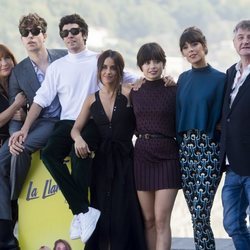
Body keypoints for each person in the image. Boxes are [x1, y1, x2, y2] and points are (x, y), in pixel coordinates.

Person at [9, 14, 139, 244]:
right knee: (50, 154)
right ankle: (82, 211)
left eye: (74, 31)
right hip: (67, 122)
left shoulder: (98, 60)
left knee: (80, 159)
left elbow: (129, 78)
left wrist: (159, 80)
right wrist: (25, 130)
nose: (69, 36)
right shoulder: (57, 67)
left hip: (92, 122)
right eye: (65, 33)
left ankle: (81, 213)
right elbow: (41, 99)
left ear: (84, 34)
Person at [0, 13, 66, 248]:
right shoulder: (19, 72)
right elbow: (15, 112)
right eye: (25, 33)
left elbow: (95, 70)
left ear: (44, 35)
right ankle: (11, 210)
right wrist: (15, 134)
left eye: (35, 31)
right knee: (8, 154)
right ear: (21, 39)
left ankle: (12, 201)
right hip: (42, 123)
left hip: (66, 121)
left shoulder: (64, 57)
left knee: (20, 150)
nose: (30, 36)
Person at [71, 49, 146, 250]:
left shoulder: (131, 93)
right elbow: (75, 129)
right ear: (99, 70)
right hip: (101, 162)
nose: (108, 72)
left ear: (120, 70)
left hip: (127, 159)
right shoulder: (91, 99)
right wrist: (78, 139)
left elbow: (151, 89)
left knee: (125, 210)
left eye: (113, 67)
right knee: (100, 209)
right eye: (104, 67)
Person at [176, 27, 226, 250]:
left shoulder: (221, 79)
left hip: (209, 148)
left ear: (204, 46)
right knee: (196, 215)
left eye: (194, 44)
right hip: (185, 149)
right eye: (185, 47)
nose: (191, 50)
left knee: (200, 210)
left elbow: (231, 113)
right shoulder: (182, 78)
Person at [129, 42, 181, 250]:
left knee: (161, 219)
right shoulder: (134, 91)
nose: (153, 66)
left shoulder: (174, 89)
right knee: (148, 220)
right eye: (147, 62)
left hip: (168, 156)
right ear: (141, 66)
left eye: (157, 61)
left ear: (163, 63)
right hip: (142, 155)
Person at [220, 20, 250, 249]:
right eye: (240, 37)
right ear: (234, 42)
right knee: (232, 223)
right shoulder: (231, 72)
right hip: (232, 163)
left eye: (249, 37)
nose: (245, 41)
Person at [0, 44, 26, 250]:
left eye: (7, 58)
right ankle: (6, 237)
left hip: (19, 141)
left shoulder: (20, 81)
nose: (4, 63)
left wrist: (23, 116)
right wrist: (15, 106)